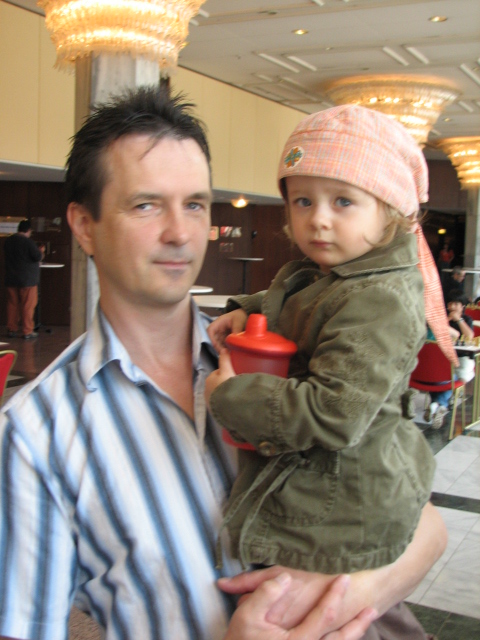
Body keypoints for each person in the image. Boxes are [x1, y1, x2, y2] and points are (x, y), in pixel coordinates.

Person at [0, 88, 446, 640]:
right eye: (145, 205)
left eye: (194, 204)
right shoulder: (35, 433)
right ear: (84, 225)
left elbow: (427, 526)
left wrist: (343, 601)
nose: (180, 232)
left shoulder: (288, 346)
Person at [206, 105, 455, 631]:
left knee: (304, 619)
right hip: (331, 500)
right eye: (303, 200)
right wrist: (249, 310)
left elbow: (334, 412)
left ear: (390, 211)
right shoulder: (332, 272)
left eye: (343, 200)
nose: (318, 218)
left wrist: (229, 397)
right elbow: (301, 302)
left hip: (340, 510)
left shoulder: (380, 298)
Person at [424, 289, 476, 428]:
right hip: (444, 358)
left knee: (452, 377)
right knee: (442, 377)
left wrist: (459, 320)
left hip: (462, 357)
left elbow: (469, 336)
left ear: (462, 306)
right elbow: (436, 331)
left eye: (456, 304)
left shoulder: (467, 319)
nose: (452, 306)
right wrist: (446, 320)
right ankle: (440, 405)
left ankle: (435, 404)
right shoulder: (441, 318)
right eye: (450, 303)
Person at [3, 219, 45, 339]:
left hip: (11, 278)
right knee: (28, 305)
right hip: (28, 279)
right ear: (28, 230)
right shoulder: (28, 242)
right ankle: (27, 331)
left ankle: (11, 329)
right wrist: (41, 251)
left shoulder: (8, 241)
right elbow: (37, 257)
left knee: (12, 304)